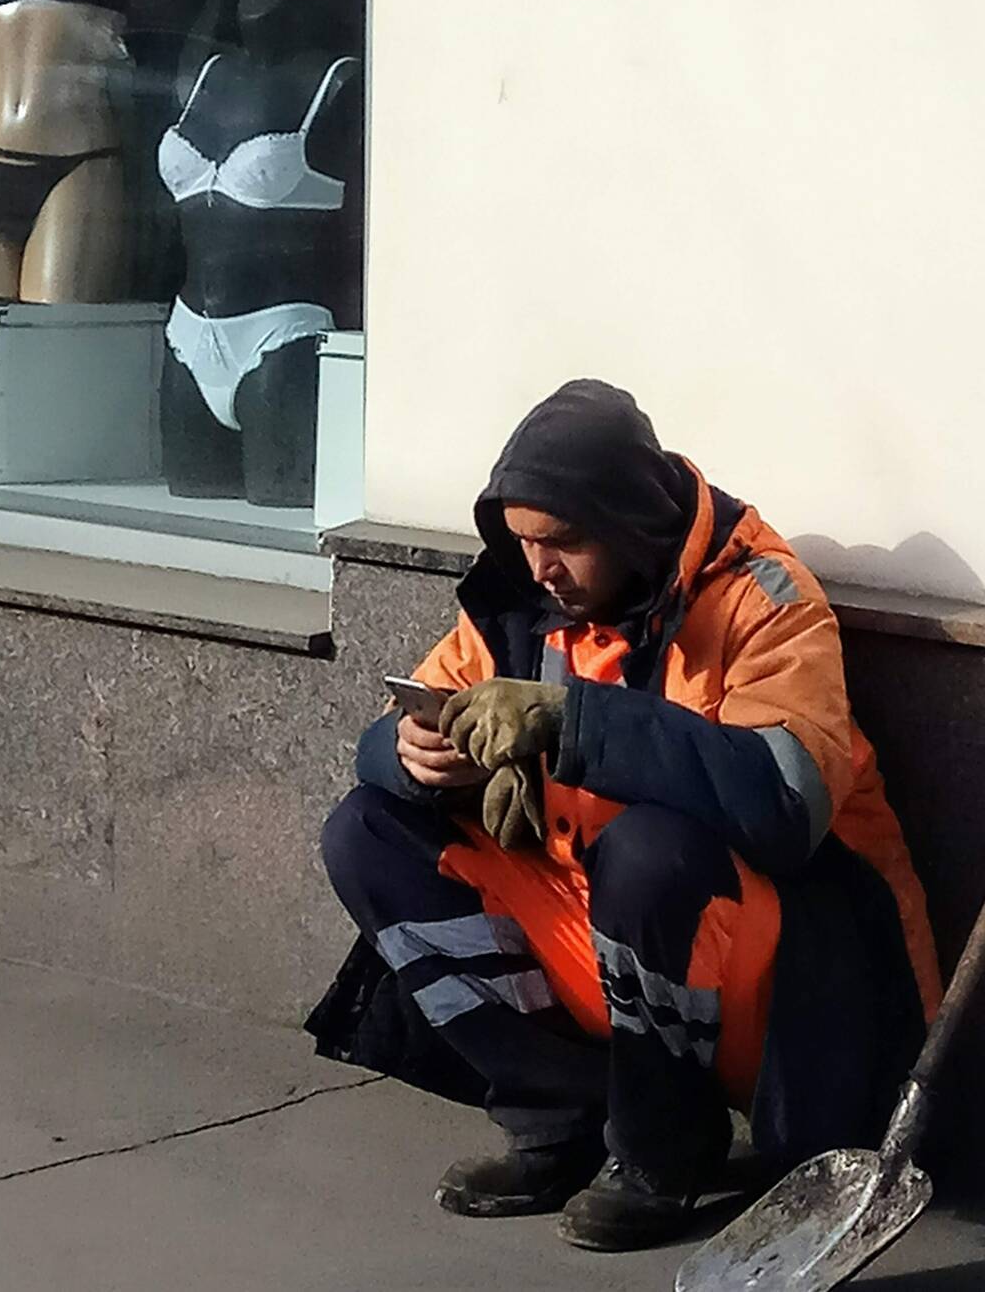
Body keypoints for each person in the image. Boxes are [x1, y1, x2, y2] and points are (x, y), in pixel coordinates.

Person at [307, 378, 940, 1253]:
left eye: (562, 542)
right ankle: (563, 1115)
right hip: (611, 948)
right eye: (524, 541)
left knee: (650, 847)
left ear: (631, 526)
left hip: (786, 983)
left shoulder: (765, 597)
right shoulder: (524, 597)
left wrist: (573, 724)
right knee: (367, 831)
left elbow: (785, 805)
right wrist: (419, 758)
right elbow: (402, 722)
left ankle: (661, 1151)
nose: (540, 567)